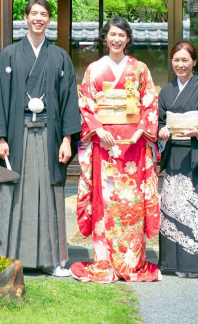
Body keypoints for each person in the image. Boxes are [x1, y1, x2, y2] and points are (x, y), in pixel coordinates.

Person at [0, 0, 81, 277]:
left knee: (48, 193)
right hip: (17, 135)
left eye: (44, 14)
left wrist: (67, 139)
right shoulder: (9, 55)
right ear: (26, 17)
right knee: (16, 192)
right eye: (34, 13)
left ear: (49, 20)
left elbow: (68, 100)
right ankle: (11, 259)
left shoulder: (60, 57)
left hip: (49, 136)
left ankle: (52, 260)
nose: (39, 18)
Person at [70, 17, 161, 283]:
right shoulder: (94, 69)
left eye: (122, 35)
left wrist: (139, 131)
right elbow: (85, 103)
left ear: (128, 39)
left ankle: (131, 262)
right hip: (104, 144)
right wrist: (97, 129)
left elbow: (150, 104)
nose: (117, 39)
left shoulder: (140, 69)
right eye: (112, 34)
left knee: (131, 202)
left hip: (133, 144)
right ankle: (103, 261)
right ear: (105, 38)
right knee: (106, 201)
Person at [157, 40, 198, 278]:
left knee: (194, 209)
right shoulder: (166, 91)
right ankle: (172, 263)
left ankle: (195, 265)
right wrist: (162, 132)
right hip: (175, 155)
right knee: (173, 209)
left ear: (194, 62)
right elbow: (158, 122)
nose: (180, 64)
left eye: (185, 60)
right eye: (176, 60)